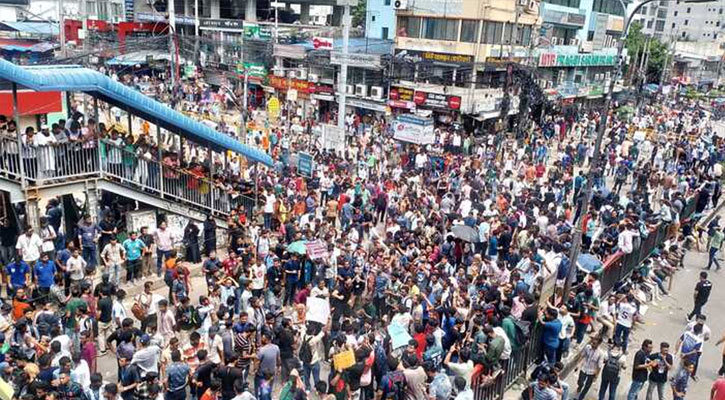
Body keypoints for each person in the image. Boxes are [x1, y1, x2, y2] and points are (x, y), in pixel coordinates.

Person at [575, 336, 604, 400]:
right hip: (584, 368)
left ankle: (581, 397)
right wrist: (578, 365)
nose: (592, 344)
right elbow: (582, 356)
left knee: (587, 386)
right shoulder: (587, 347)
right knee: (580, 381)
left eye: (594, 343)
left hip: (592, 372)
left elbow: (599, 366)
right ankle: (580, 386)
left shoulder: (601, 353)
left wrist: (596, 376)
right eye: (592, 342)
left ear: (598, 344)